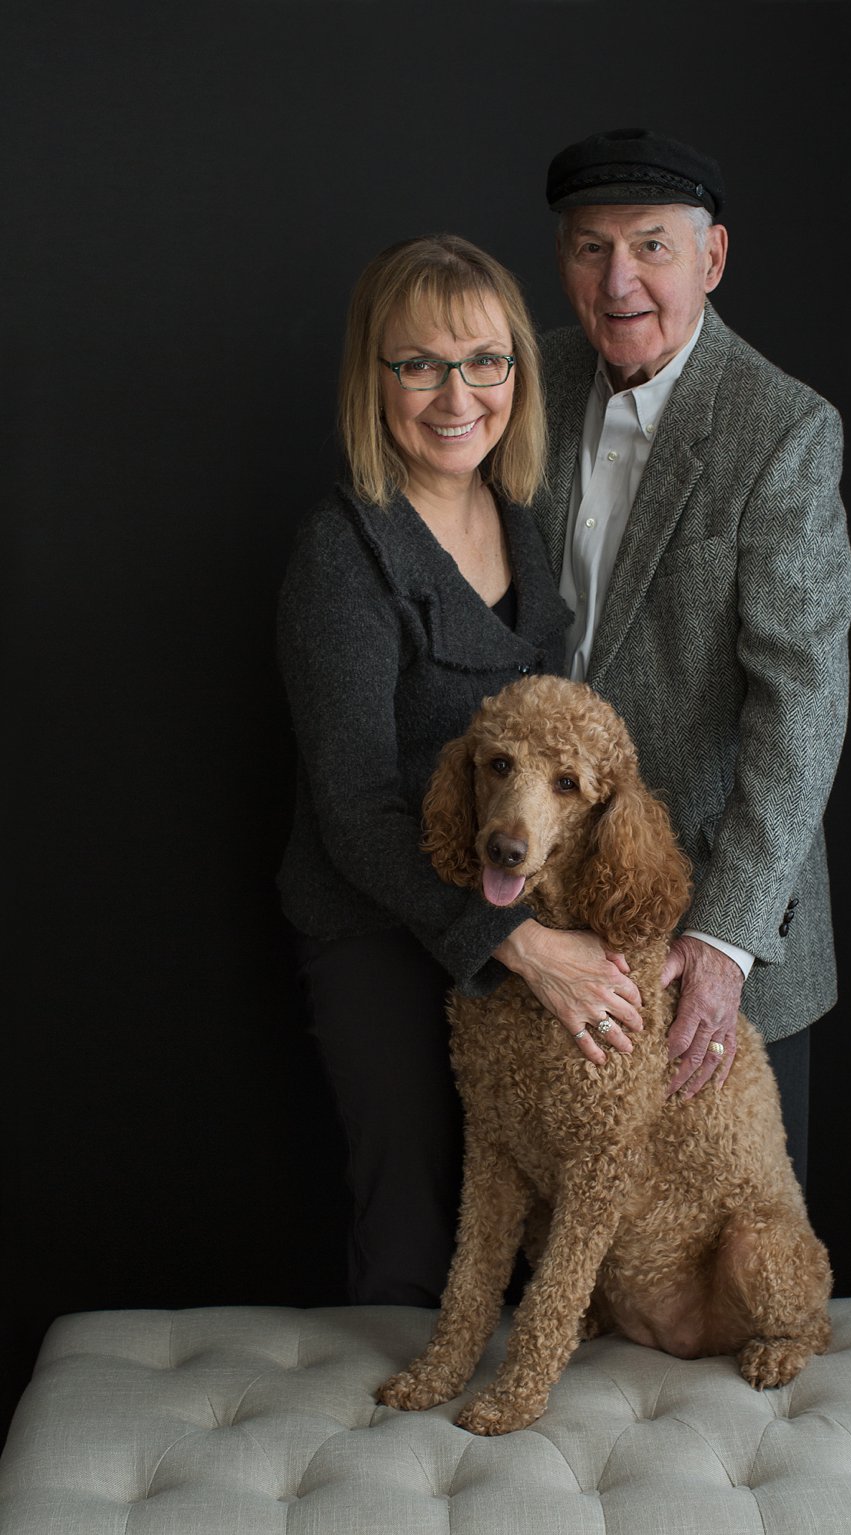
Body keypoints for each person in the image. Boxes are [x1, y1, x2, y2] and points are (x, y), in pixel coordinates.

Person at [276, 234, 644, 1308]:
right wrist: (528, 948)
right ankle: (397, 1472)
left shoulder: (523, 529)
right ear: (372, 376)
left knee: (527, 1211)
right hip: (379, 926)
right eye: (419, 363)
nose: (456, 395)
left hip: (509, 909)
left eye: (484, 360)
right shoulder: (343, 552)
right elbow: (352, 810)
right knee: (416, 1227)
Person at [534, 129, 851, 1186]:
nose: (617, 281)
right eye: (589, 249)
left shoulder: (782, 427)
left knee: (728, 1276)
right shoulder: (520, 383)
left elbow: (800, 708)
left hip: (716, 927)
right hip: (554, 927)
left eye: (649, 247)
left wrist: (722, 942)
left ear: (710, 259)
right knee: (568, 1249)